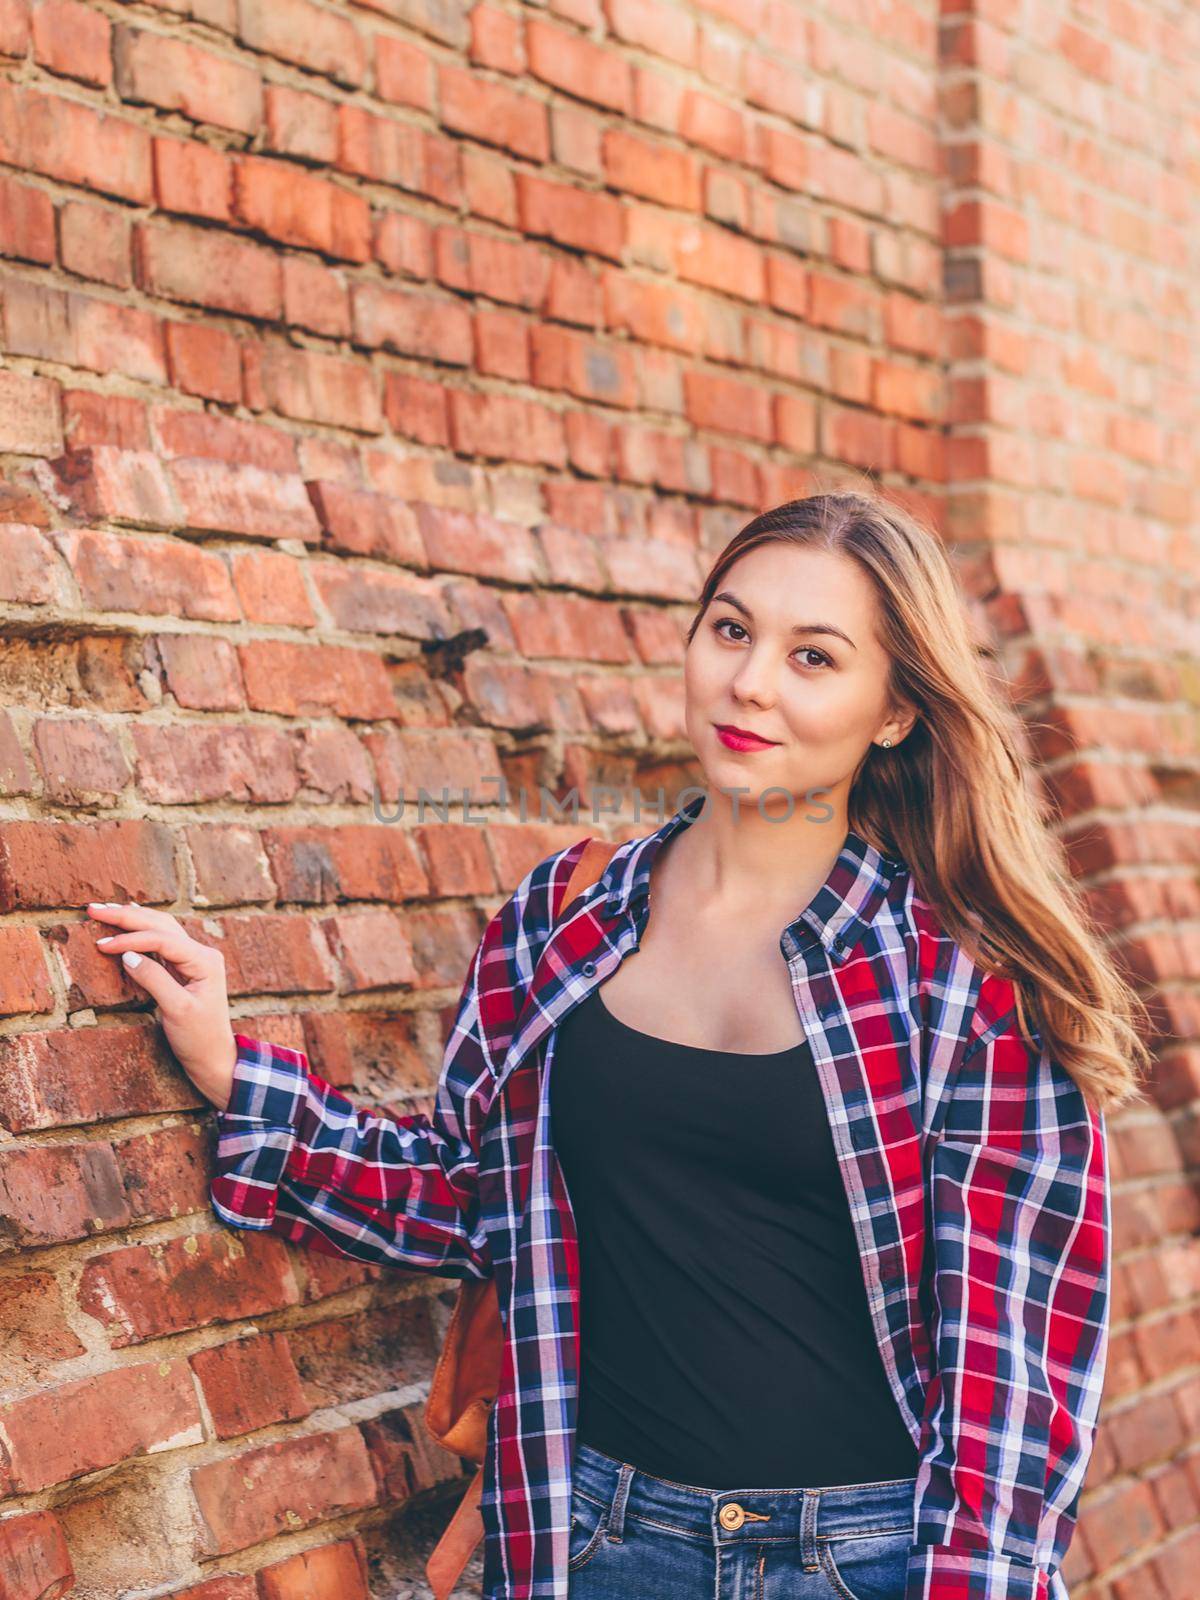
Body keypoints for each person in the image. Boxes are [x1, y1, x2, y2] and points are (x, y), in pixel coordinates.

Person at [87, 489, 1149, 1600]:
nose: (751, 682)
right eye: (731, 630)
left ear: (893, 712)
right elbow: (470, 1193)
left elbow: (1012, 1383)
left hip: (865, 1561)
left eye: (815, 657)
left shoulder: (961, 983)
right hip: (592, 1541)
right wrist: (234, 1073)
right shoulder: (566, 915)